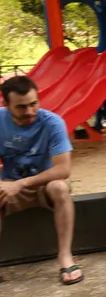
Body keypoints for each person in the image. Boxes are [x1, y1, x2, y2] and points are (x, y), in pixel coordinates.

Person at [0, 76, 81, 285]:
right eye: (21, 107)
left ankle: (65, 257)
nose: (29, 111)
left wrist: (22, 183)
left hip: (44, 184)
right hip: (9, 183)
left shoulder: (53, 122)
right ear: (7, 105)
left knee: (60, 187)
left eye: (33, 104)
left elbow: (63, 169)